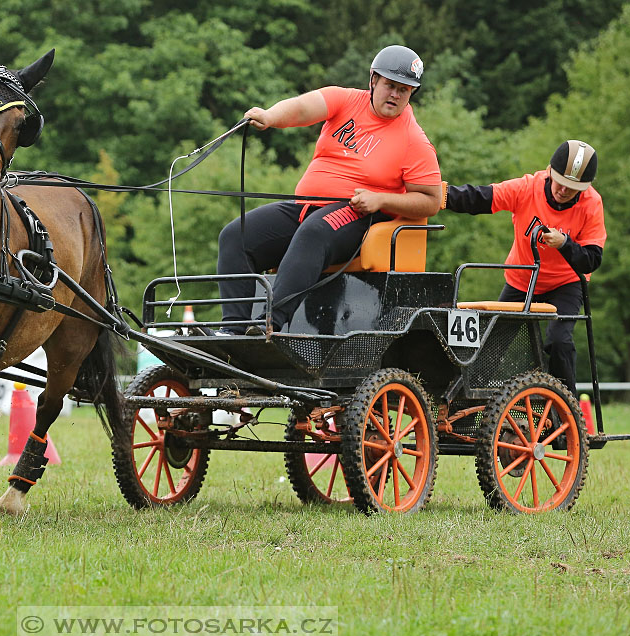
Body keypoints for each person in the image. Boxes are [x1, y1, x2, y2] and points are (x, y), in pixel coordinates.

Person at [215, 45, 441, 335]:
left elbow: (431, 201)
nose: (395, 94)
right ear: (373, 80)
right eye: (390, 85)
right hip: (307, 206)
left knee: (314, 232)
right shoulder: (345, 100)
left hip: (358, 215)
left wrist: (380, 199)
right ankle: (233, 332)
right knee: (236, 235)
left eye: (405, 90)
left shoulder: (414, 141)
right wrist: (270, 116)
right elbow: (300, 108)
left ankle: (267, 327)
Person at [443, 140, 606, 396]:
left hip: (566, 284)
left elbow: (592, 259)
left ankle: (567, 410)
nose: (563, 190)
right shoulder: (527, 188)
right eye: (560, 182)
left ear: (584, 188)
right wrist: (438, 195)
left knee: (559, 341)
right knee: (492, 346)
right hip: (522, 279)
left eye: (573, 188)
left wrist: (565, 244)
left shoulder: (592, 204)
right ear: (549, 171)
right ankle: (468, 408)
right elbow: (480, 198)